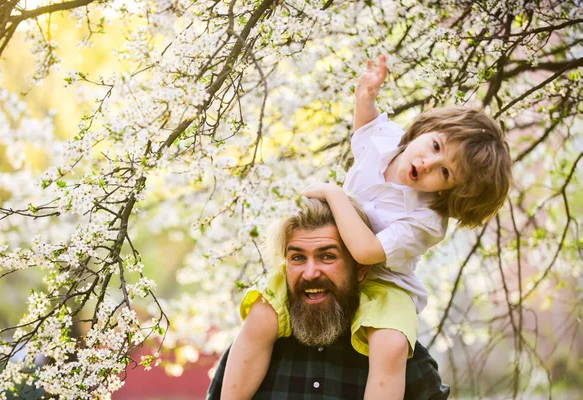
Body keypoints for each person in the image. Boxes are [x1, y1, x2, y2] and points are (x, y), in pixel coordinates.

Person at [223, 55, 512, 399]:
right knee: (262, 313)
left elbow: (366, 252)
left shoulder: (427, 220)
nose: (428, 162)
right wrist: (366, 96)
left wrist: (334, 194)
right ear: (425, 129)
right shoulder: (387, 140)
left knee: (390, 343)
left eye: (445, 172)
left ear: (451, 192)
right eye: (435, 146)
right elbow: (364, 126)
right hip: (338, 257)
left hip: (385, 281)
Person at [210, 198, 450, 399]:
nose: (310, 272)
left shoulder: (397, 352)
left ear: (360, 269)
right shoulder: (252, 348)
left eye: (327, 256)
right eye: (297, 258)